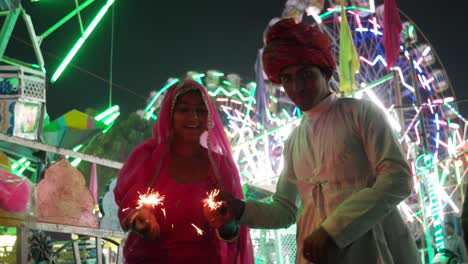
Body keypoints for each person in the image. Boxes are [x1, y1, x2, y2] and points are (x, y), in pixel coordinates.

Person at [204, 18, 421, 264]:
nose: (296, 86)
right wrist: (241, 210)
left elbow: (398, 179)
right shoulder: (294, 141)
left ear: (326, 72)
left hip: (374, 249)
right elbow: (285, 210)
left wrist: (331, 230)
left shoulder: (362, 114)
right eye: (286, 78)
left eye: (306, 75)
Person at [114, 79, 254, 263]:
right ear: (169, 115)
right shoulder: (146, 158)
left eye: (201, 111)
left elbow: (234, 231)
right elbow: (127, 206)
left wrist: (226, 224)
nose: (194, 117)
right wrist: (139, 219)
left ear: (209, 117)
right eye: (184, 110)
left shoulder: (221, 167)